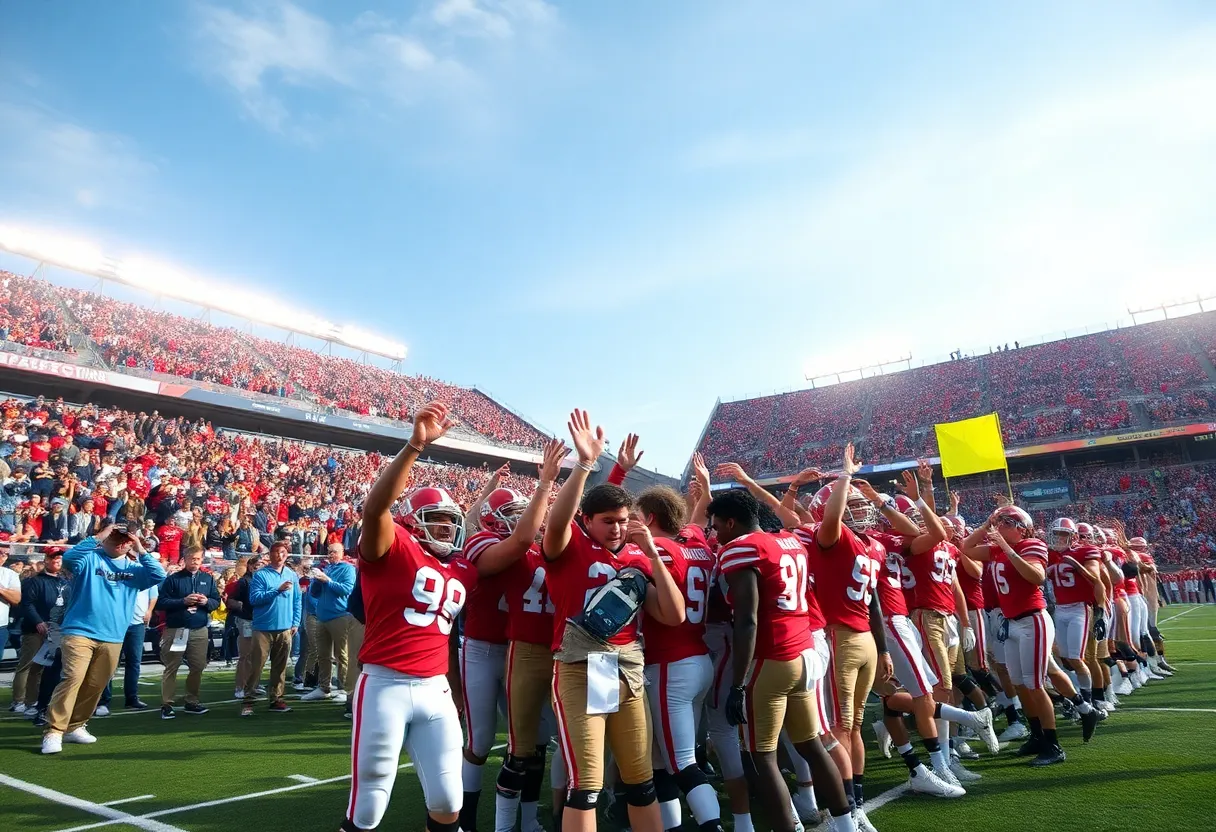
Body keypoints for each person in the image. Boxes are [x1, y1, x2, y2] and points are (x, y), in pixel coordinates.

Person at [542, 410, 685, 832]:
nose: (618, 529)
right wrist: (587, 464)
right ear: (587, 522)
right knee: (585, 785)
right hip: (581, 665)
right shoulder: (570, 549)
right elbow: (557, 523)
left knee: (640, 782)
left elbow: (673, 614)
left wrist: (654, 555)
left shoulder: (638, 558)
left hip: (626, 667)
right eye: (609, 521)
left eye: (624, 521)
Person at [343, 401, 476, 832]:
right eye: (435, 520)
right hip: (385, 683)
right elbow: (375, 509)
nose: (444, 528)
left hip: (436, 688)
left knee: (448, 798)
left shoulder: (460, 567)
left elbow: (450, 638)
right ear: (415, 522)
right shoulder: (394, 544)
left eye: (449, 521)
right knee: (369, 803)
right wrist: (414, 446)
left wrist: (455, 691)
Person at [709, 487, 855, 832]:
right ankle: (846, 826)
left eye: (717, 527)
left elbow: (747, 619)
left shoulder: (741, 548)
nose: (716, 534)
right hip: (804, 651)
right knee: (811, 745)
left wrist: (738, 683)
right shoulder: (789, 541)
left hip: (772, 658)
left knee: (761, 756)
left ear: (731, 522)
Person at [467, 440, 565, 832]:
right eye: (510, 513)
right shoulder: (485, 542)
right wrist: (496, 488)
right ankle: (468, 820)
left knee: (535, 739)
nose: (521, 519)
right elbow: (496, 530)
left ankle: (528, 819)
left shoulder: (539, 549)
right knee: (480, 741)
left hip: (519, 649)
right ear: (492, 518)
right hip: (482, 649)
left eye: (522, 513)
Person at [41, 522, 166, 754]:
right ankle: (54, 730)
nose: (120, 543)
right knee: (72, 678)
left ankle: (75, 726)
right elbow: (69, 559)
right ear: (106, 538)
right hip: (79, 630)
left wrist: (140, 547)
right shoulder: (91, 558)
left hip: (113, 635)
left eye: (125, 540)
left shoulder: (135, 568)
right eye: (116, 538)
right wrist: (100, 535)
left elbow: (159, 574)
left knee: (97, 684)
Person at [961, 506, 1064, 765]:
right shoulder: (995, 549)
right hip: (1011, 622)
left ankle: (1053, 746)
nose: (999, 527)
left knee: (1035, 685)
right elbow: (966, 548)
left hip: (1033, 620)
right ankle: (1037, 735)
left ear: (1021, 527)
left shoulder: (1032, 545)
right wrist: (986, 523)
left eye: (1004, 523)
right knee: (1019, 684)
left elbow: (1037, 577)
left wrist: (1007, 549)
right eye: (998, 523)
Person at [158, 546, 221, 718]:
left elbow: (217, 601)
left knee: (198, 666)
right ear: (184, 559)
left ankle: (192, 701)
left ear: (202, 560)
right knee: (172, 666)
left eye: (198, 559)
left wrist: (206, 601)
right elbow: (161, 602)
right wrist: (183, 601)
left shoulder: (208, 579)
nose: (195, 562)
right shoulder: (173, 579)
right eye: (192, 559)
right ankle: (167, 703)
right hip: (177, 630)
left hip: (199, 630)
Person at [243, 540, 301, 716]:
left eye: (283, 552)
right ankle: (248, 700)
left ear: (287, 554)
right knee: (257, 665)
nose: (280, 555)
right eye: (276, 552)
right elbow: (255, 599)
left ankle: (276, 699)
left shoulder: (291, 574)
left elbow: (297, 600)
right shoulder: (261, 575)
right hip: (263, 627)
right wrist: (277, 590)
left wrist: (295, 622)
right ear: (270, 555)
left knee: (280, 666)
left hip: (285, 628)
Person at [9, 548, 65, 715]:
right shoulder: (34, 581)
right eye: (53, 557)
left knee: (47, 667)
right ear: (46, 560)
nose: (57, 560)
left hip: (56, 630)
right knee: (28, 665)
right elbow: (27, 604)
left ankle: (38, 700)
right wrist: (38, 621)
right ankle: (20, 701)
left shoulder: (64, 582)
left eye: (59, 557)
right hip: (34, 630)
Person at [96, 566, 158, 715]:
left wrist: (149, 611)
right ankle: (103, 701)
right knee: (110, 662)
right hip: (116, 623)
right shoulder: (118, 572)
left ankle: (131, 698)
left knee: (134, 662)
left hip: (137, 624)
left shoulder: (145, 572)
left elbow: (153, 593)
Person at [301, 542, 356, 704]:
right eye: (328, 552)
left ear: (341, 552)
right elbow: (316, 594)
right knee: (322, 655)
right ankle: (324, 686)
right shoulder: (326, 568)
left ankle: (345, 688)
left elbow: (346, 590)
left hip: (340, 615)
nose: (330, 554)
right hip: (322, 616)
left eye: (334, 552)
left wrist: (327, 580)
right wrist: (316, 581)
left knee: (342, 655)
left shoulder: (347, 569)